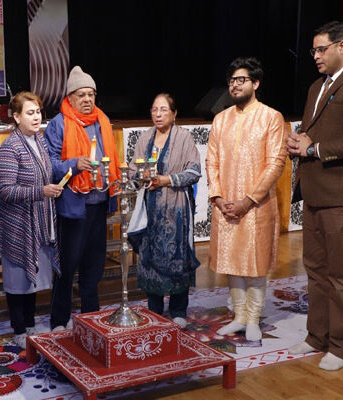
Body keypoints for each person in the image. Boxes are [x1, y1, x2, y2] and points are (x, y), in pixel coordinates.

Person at [206, 57, 287, 342]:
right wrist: (218, 197)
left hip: (256, 206)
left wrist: (248, 200)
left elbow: (275, 164)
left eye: (241, 80)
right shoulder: (221, 119)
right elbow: (212, 161)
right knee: (231, 262)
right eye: (231, 80)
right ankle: (239, 317)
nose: (235, 85)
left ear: (256, 83)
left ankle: (253, 318)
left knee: (255, 264)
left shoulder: (271, 117)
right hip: (226, 205)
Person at [44, 66, 121, 331]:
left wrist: (112, 196)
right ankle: (59, 320)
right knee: (67, 266)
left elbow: (112, 162)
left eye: (91, 94)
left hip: (98, 204)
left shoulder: (103, 121)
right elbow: (50, 165)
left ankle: (91, 317)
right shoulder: (58, 124)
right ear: (70, 97)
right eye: (81, 95)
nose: (87, 99)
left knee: (94, 265)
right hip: (72, 207)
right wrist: (75, 164)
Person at [286, 21, 343, 371]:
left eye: (322, 49)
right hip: (312, 192)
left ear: (341, 46)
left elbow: (323, 143)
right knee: (315, 269)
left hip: (338, 195)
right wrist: (297, 142)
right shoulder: (314, 87)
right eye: (313, 51)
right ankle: (316, 336)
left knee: (339, 275)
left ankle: (339, 345)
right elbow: (308, 133)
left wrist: (313, 148)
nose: (316, 56)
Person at [0, 91, 62, 348]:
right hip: (18, 226)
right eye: (30, 113)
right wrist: (41, 191)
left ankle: (31, 324)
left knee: (32, 280)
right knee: (17, 280)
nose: (36, 117)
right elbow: (7, 191)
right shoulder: (10, 147)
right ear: (16, 117)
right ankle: (19, 328)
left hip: (39, 221)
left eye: (38, 112)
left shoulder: (40, 140)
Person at [128, 93, 201, 329]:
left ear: (174, 113)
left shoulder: (184, 138)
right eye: (154, 110)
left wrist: (166, 179)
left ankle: (178, 309)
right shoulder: (144, 138)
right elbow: (132, 171)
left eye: (163, 110)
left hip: (177, 208)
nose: (158, 114)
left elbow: (194, 172)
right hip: (149, 209)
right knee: (149, 257)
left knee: (177, 257)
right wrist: (141, 176)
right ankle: (155, 309)